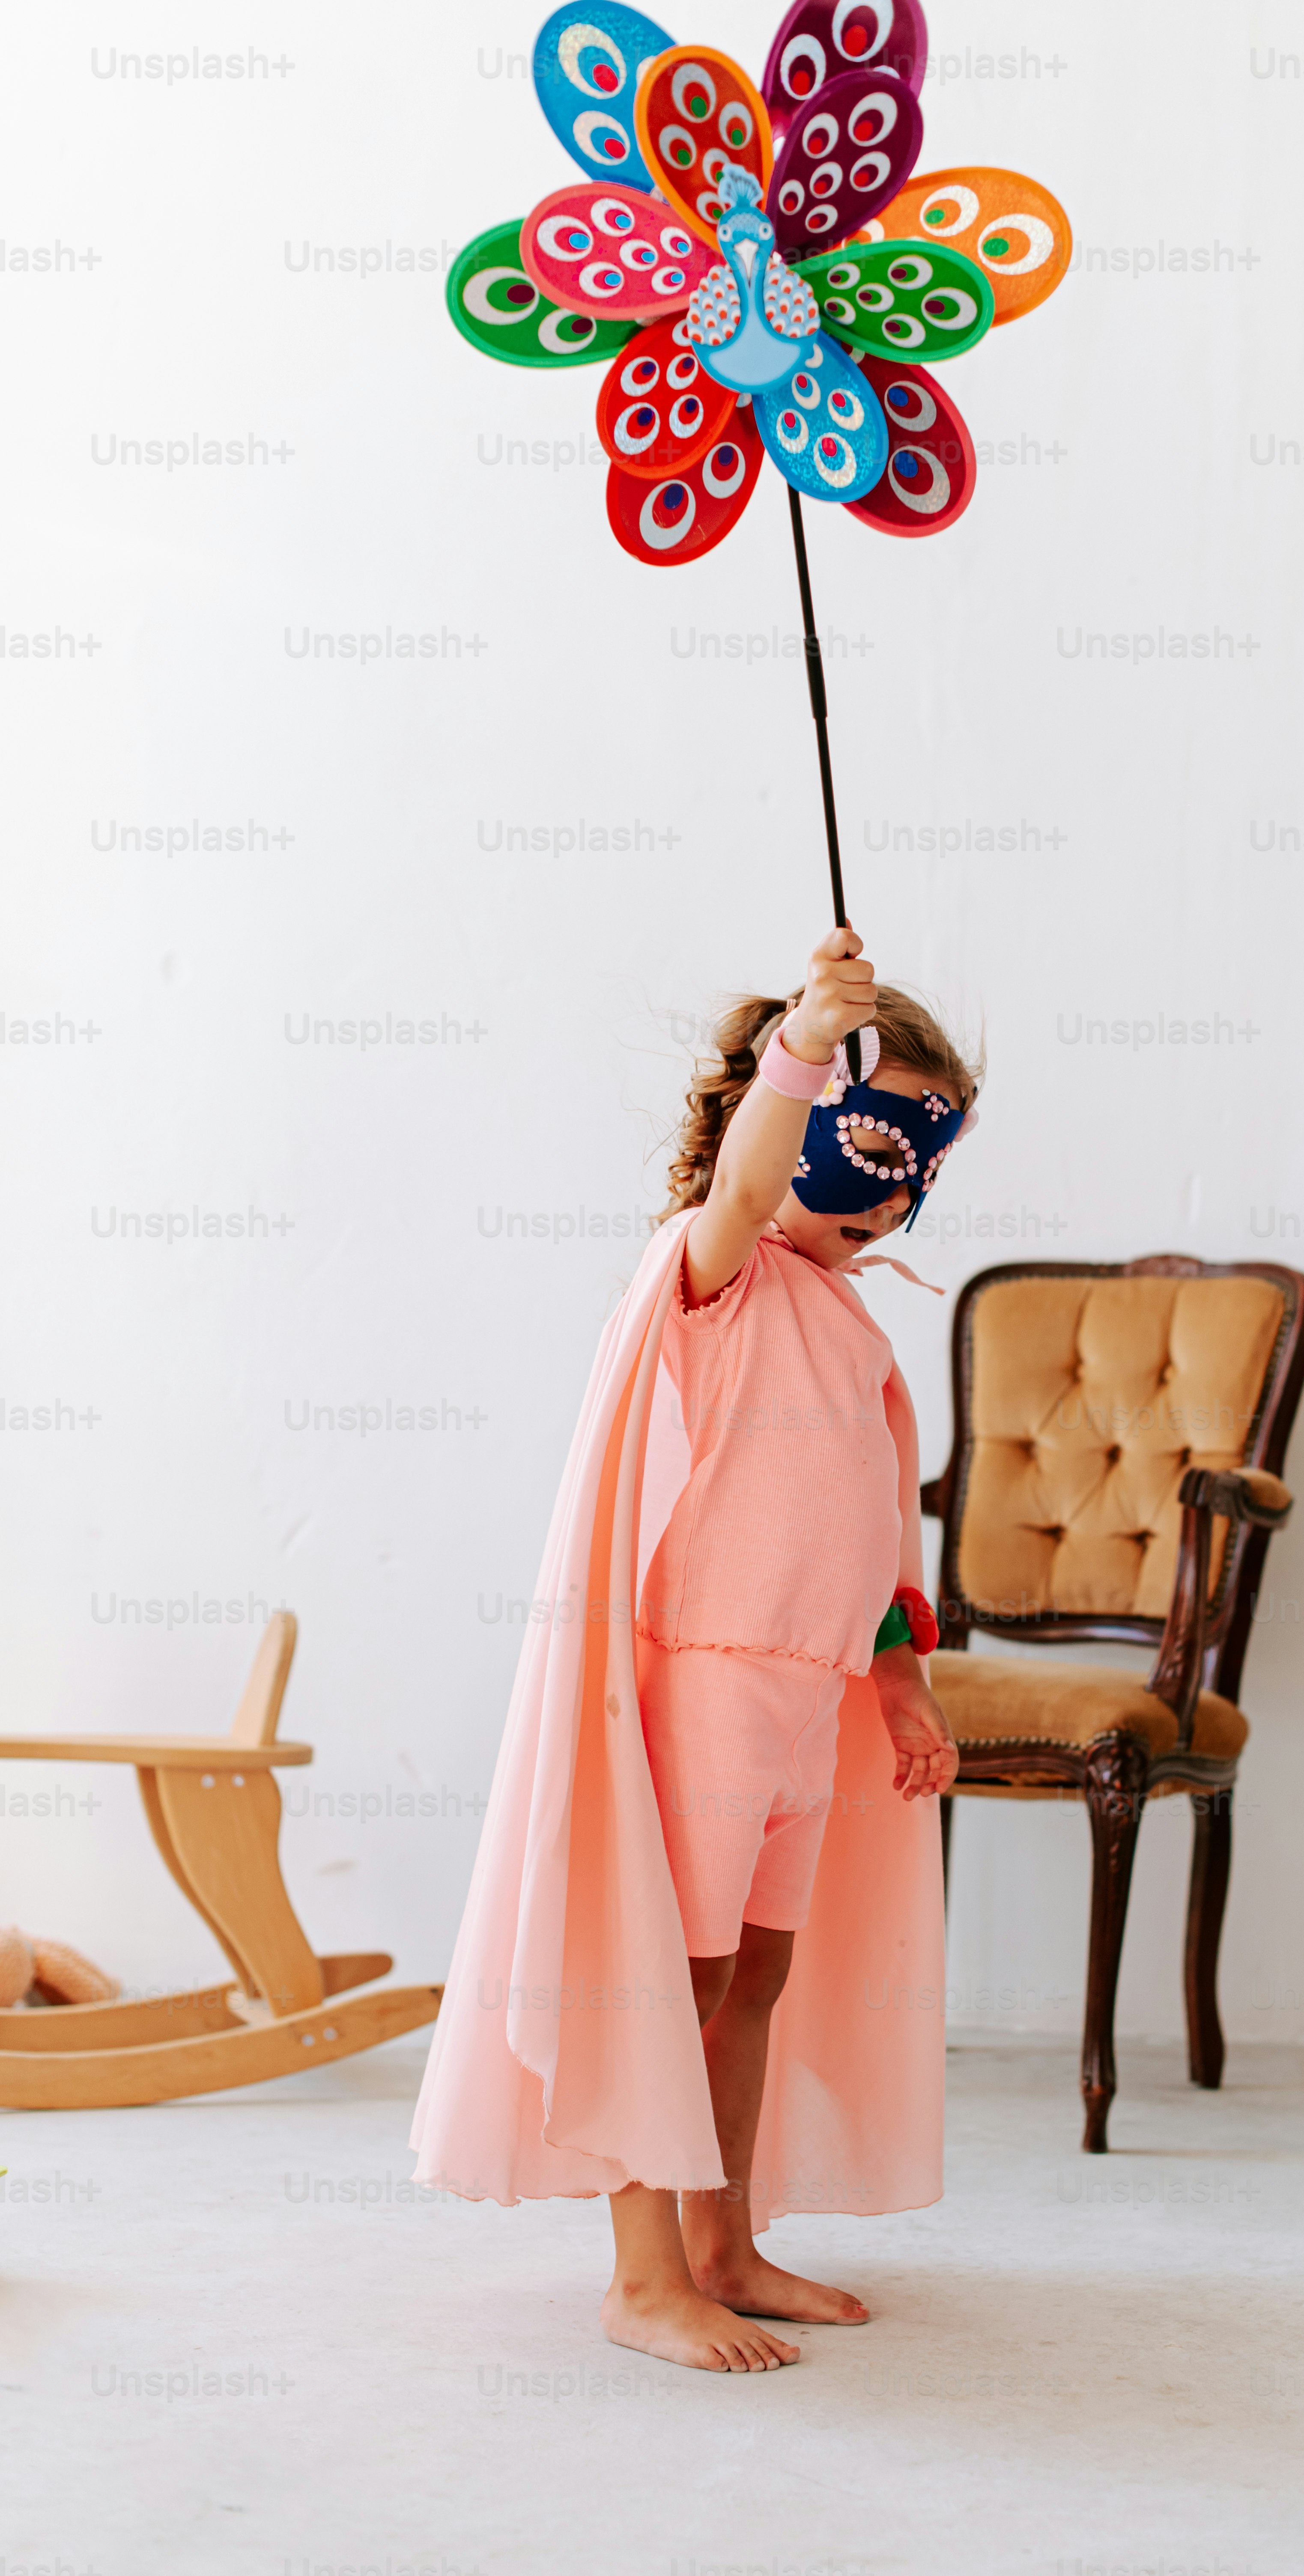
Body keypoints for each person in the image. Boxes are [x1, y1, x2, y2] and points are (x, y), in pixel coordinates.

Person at [411, 925, 981, 2375]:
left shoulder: (852, 1324)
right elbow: (745, 1179)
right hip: (712, 1690)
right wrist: (809, 1042)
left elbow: (869, 1544)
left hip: (807, 1706)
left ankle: (725, 2241)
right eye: (875, 1142)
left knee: (757, 1982)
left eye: (923, 1161)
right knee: (669, 1976)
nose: (898, 1192)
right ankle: (641, 2274)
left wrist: (901, 1683)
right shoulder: (710, 1271)